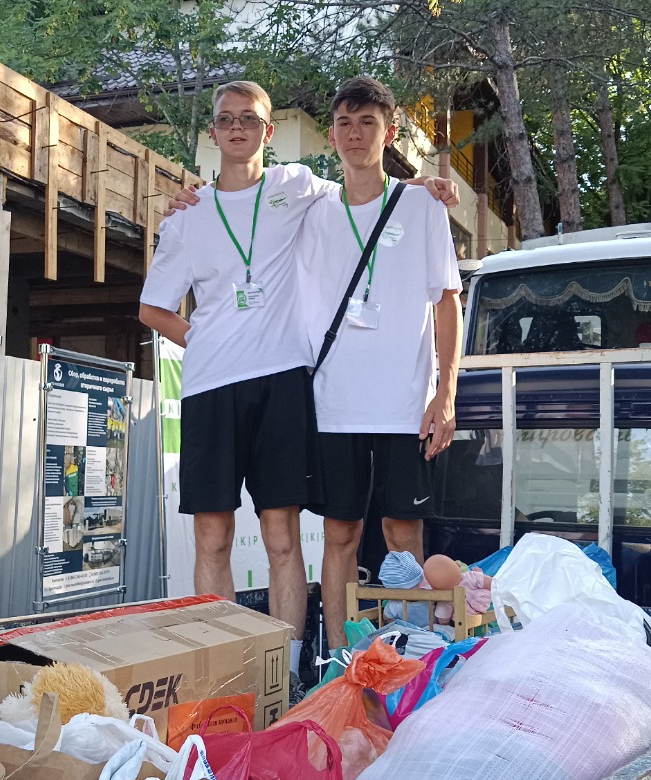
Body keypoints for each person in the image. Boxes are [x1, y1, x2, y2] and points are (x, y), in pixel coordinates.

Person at [140, 81, 459, 701]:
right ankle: (244, 670)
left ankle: (320, 670)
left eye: (250, 120)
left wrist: (427, 188)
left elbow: (408, 240)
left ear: (267, 131)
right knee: (227, 534)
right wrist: (204, 341)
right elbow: (153, 307)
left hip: (304, 386)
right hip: (253, 393)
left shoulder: (300, 192)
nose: (353, 133)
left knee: (310, 534)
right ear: (213, 133)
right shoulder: (209, 213)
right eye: (226, 119)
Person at [297, 76, 463, 656]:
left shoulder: (421, 205)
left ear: (388, 132)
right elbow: (241, 202)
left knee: (401, 533)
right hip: (335, 399)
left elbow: (447, 300)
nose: (354, 133)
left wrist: (446, 393)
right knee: (340, 531)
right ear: (333, 134)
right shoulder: (313, 208)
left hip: (402, 400)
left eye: (367, 123)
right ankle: (337, 658)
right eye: (344, 123)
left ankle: (409, 652)